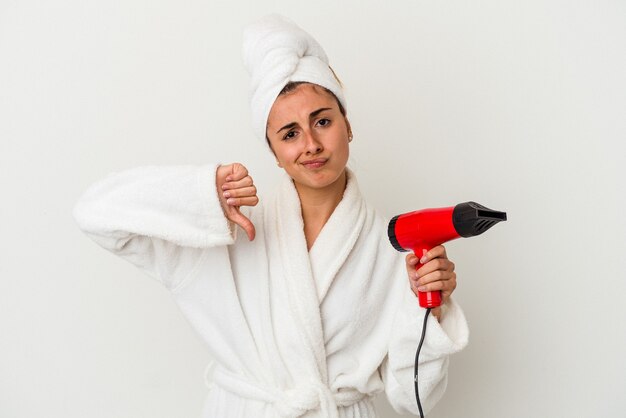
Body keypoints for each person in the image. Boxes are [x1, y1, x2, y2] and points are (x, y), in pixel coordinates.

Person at [73, 14, 469, 418]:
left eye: (323, 121)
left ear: (347, 126)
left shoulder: (395, 248)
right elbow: (95, 213)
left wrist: (431, 309)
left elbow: (412, 398)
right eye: (290, 134)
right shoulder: (224, 231)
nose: (311, 144)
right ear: (274, 153)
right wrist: (201, 197)